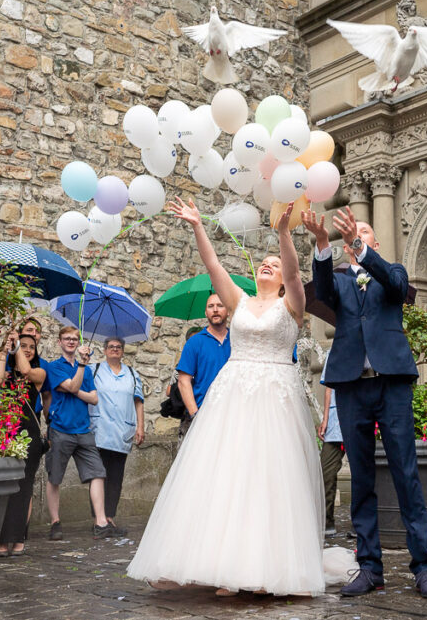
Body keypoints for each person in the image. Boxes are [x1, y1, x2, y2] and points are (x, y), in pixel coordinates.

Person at [128, 198, 325, 597]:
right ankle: (220, 565)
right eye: (263, 262)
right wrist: (199, 225)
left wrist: (284, 234)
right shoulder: (239, 301)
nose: (268, 265)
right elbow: (214, 266)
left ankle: (266, 566)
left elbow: (294, 272)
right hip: (233, 395)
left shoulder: (292, 305)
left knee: (269, 479)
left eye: (274, 264)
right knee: (227, 476)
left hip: (275, 399)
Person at [304, 206, 427, 600]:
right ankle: (369, 568)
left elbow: (398, 288)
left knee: (406, 473)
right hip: (351, 386)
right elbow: (324, 292)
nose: (355, 237)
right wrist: (321, 242)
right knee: (362, 478)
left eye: (363, 233)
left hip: (392, 384)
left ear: (373, 244)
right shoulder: (338, 281)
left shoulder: (392, 273)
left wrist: (359, 247)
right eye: (351, 235)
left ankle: (422, 567)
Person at [42, 326, 118, 540]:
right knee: (55, 477)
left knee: (98, 473)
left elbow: (93, 398)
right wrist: (79, 376)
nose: (71, 342)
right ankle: (55, 522)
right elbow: (75, 386)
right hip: (61, 429)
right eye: (67, 338)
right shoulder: (54, 367)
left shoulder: (83, 367)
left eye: (75, 339)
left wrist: (75, 385)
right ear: (59, 342)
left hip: (83, 429)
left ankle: (100, 522)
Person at [0, 331, 48, 556]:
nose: (27, 349)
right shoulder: (6, 368)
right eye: (22, 345)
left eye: (31, 346)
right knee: (3, 487)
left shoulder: (38, 372)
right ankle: (1, 541)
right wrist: (4, 350)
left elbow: (25, 370)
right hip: (5, 433)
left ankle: (19, 538)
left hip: (28, 435)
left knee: (24, 488)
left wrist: (17, 350)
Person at [90, 336, 144, 533]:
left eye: (118, 347)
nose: (115, 350)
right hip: (100, 430)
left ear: (123, 351)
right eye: (111, 347)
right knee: (98, 475)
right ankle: (98, 517)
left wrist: (140, 426)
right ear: (104, 350)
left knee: (116, 477)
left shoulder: (132, 373)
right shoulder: (93, 370)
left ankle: (109, 516)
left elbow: (139, 401)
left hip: (122, 431)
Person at [176, 295, 230, 438]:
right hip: (205, 415)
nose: (215, 310)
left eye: (220, 305)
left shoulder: (238, 340)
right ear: (206, 312)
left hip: (233, 415)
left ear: (229, 310)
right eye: (211, 306)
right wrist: (196, 415)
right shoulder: (195, 342)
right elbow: (183, 381)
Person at [317, 379, 344, 537]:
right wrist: (325, 419)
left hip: (360, 416)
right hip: (335, 421)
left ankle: (362, 524)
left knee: (363, 473)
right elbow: (329, 386)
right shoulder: (334, 354)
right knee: (325, 471)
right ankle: (327, 521)